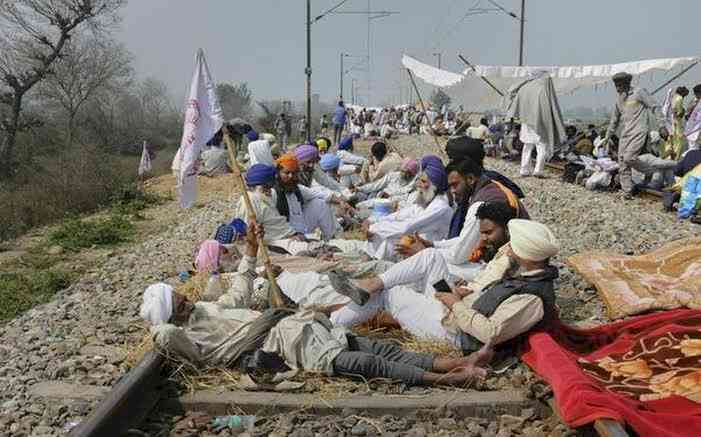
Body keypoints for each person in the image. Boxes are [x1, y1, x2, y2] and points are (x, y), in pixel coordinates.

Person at [141, 224, 486, 387]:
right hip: (280, 345)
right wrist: (159, 322)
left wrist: (249, 250)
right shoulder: (192, 338)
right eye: (177, 300)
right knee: (365, 362)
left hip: (296, 324)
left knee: (377, 348)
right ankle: (442, 380)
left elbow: (240, 292)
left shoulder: (208, 308)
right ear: (170, 314)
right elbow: (168, 336)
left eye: (179, 294)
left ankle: (454, 362)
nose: (185, 297)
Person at [397, 158, 528, 281]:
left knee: (429, 264)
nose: (453, 191)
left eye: (455, 185)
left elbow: (458, 256)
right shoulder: (488, 186)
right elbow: (465, 240)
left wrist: (424, 251)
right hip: (506, 258)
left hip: (513, 267)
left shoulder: (480, 204)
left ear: (470, 178)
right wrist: (433, 245)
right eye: (450, 186)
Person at [330, 155, 453, 261]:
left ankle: (373, 263)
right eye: (419, 180)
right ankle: (367, 258)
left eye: (423, 181)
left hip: (428, 248)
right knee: (388, 236)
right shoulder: (425, 201)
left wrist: (374, 229)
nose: (419, 185)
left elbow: (408, 226)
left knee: (391, 240)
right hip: (413, 240)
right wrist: (372, 221)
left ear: (434, 186)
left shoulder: (440, 207)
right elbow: (400, 215)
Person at [604, 72, 658, 199]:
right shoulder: (619, 100)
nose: (617, 88)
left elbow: (654, 106)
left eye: (620, 85)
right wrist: (607, 137)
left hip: (639, 131)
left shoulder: (639, 92)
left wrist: (661, 125)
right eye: (616, 86)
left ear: (627, 83)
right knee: (623, 163)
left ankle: (652, 171)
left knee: (629, 158)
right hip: (625, 134)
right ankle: (627, 191)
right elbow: (614, 120)